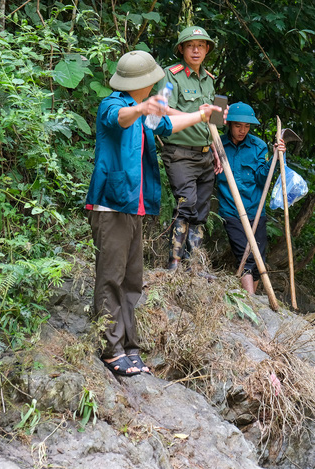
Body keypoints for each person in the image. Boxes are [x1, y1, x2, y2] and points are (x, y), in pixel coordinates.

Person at [85, 50, 224, 376]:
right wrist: (140, 108)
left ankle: (129, 347)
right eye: (150, 82)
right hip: (112, 205)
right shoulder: (114, 105)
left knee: (132, 281)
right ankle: (110, 348)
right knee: (110, 278)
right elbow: (119, 119)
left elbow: (168, 124)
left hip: (135, 207)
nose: (154, 85)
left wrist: (202, 115)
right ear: (139, 84)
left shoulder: (146, 111)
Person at [154, 26, 220, 270]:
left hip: (205, 154)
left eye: (201, 45)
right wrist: (194, 115)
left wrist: (216, 150)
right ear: (181, 49)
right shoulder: (169, 75)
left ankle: (196, 267)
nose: (196, 50)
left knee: (201, 211)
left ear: (207, 50)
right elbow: (160, 109)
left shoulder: (209, 80)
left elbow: (212, 121)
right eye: (191, 45)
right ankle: (174, 264)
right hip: (179, 152)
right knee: (187, 204)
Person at [216, 102, 285, 294]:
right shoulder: (217, 144)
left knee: (258, 258)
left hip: (255, 209)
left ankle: (250, 299)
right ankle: (252, 300)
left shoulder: (258, 146)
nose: (242, 130)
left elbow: (263, 179)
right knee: (245, 256)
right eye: (238, 126)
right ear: (229, 124)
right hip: (231, 211)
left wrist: (275, 158)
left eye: (246, 126)